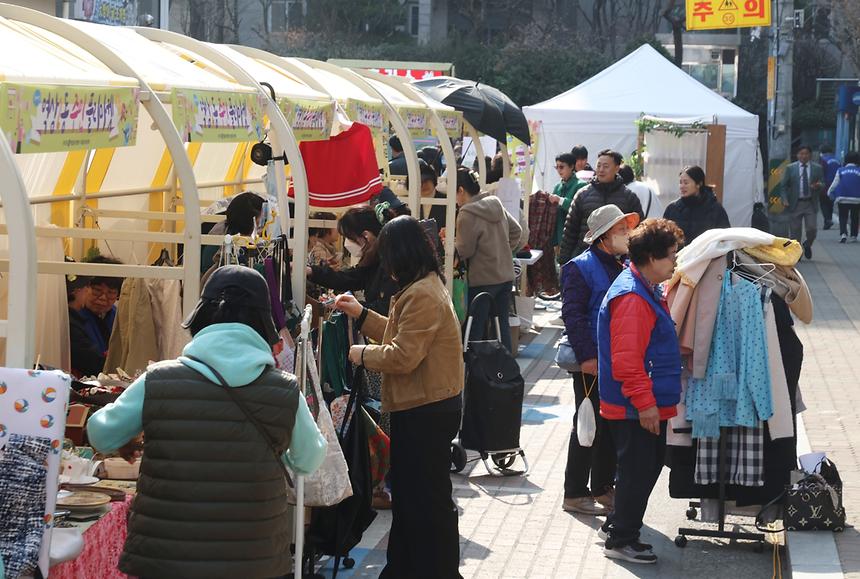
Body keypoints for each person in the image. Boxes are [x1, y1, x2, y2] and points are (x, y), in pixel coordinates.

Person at [86, 265, 327, 578]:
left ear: (202, 318)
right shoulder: (285, 391)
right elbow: (309, 459)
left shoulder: (158, 380)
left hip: (166, 558)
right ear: (262, 325)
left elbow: (101, 434)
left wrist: (130, 433)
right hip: (252, 558)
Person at [334, 216, 464, 579]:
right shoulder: (423, 286)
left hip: (425, 410)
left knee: (426, 500)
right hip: (426, 406)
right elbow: (399, 335)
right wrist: (361, 314)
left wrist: (361, 354)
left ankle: (435, 571)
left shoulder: (421, 293)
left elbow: (403, 356)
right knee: (413, 497)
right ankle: (404, 569)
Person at [597, 218, 684, 565]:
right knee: (638, 471)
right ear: (650, 257)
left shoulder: (644, 286)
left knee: (642, 468)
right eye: (671, 255)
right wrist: (646, 404)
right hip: (634, 405)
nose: (675, 261)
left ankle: (619, 525)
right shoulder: (633, 296)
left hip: (640, 402)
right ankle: (622, 539)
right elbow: (627, 361)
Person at [561, 205, 639, 516]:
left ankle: (603, 487)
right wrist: (587, 357)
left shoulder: (622, 264)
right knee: (587, 423)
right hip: (592, 361)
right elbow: (573, 316)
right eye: (620, 230)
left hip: (613, 358)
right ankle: (575, 492)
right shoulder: (579, 267)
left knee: (608, 425)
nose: (626, 234)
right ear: (603, 236)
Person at [454, 167, 524, 353]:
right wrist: (503, 250)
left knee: (475, 329)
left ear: (461, 190)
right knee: (501, 327)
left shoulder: (466, 213)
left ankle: (474, 368)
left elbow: (465, 250)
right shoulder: (495, 202)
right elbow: (517, 231)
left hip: (482, 280)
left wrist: (451, 244)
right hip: (505, 276)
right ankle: (505, 366)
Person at [306, 204, 398, 315]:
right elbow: (348, 278)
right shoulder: (374, 260)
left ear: (366, 236)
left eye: (350, 239)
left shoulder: (390, 264)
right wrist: (312, 271)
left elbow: (384, 309)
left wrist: (350, 306)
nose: (348, 243)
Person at [559, 149, 644, 264]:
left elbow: (638, 231)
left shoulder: (628, 197)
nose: (601, 170)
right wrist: (564, 261)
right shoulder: (583, 194)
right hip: (586, 259)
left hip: (619, 261)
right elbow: (570, 231)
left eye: (605, 166)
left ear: (617, 168)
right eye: (598, 166)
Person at [75, 256, 124, 374]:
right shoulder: (74, 317)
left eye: (111, 293)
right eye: (97, 290)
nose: (103, 298)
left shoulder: (119, 317)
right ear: (84, 288)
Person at [662, 165, 730, 244]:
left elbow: (725, 239)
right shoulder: (672, 208)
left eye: (686, 183)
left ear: (699, 184)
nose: (682, 186)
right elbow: (663, 238)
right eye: (680, 182)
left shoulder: (715, 209)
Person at [201, 191, 265, 273]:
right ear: (249, 222)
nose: (264, 228)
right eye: (261, 223)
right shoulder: (219, 245)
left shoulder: (231, 227)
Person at [781, 145, 824, 260]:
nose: (804, 156)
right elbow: (783, 186)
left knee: (812, 229)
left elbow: (822, 183)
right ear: (797, 155)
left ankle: (807, 244)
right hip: (795, 203)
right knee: (795, 231)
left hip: (810, 203)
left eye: (806, 153)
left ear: (810, 155)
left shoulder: (817, 168)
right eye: (801, 153)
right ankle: (797, 252)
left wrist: (818, 185)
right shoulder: (791, 168)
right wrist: (784, 199)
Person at [67, 269, 104, 378]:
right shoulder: (71, 324)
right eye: (86, 287)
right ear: (76, 290)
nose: (88, 291)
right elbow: (91, 361)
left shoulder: (70, 318)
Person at [552, 152, 588, 249]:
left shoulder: (581, 185)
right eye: (557, 167)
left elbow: (579, 209)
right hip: (559, 236)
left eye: (561, 167)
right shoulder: (557, 186)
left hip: (574, 236)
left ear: (572, 166)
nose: (559, 170)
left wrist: (560, 200)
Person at [828, 150, 860, 243]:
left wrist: (829, 193)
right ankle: (853, 236)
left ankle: (843, 234)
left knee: (843, 216)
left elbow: (835, 183)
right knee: (855, 217)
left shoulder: (841, 170)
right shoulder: (859, 170)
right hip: (857, 199)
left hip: (842, 198)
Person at [414, 159, 448, 228]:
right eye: (420, 182)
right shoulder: (409, 202)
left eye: (426, 181)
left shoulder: (445, 200)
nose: (423, 185)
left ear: (433, 180)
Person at [820, 144, 841, 230]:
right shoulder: (837, 160)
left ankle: (827, 220)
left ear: (822, 152)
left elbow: (821, 172)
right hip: (835, 184)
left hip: (825, 185)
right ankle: (828, 219)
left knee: (823, 203)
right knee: (830, 203)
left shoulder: (823, 160)